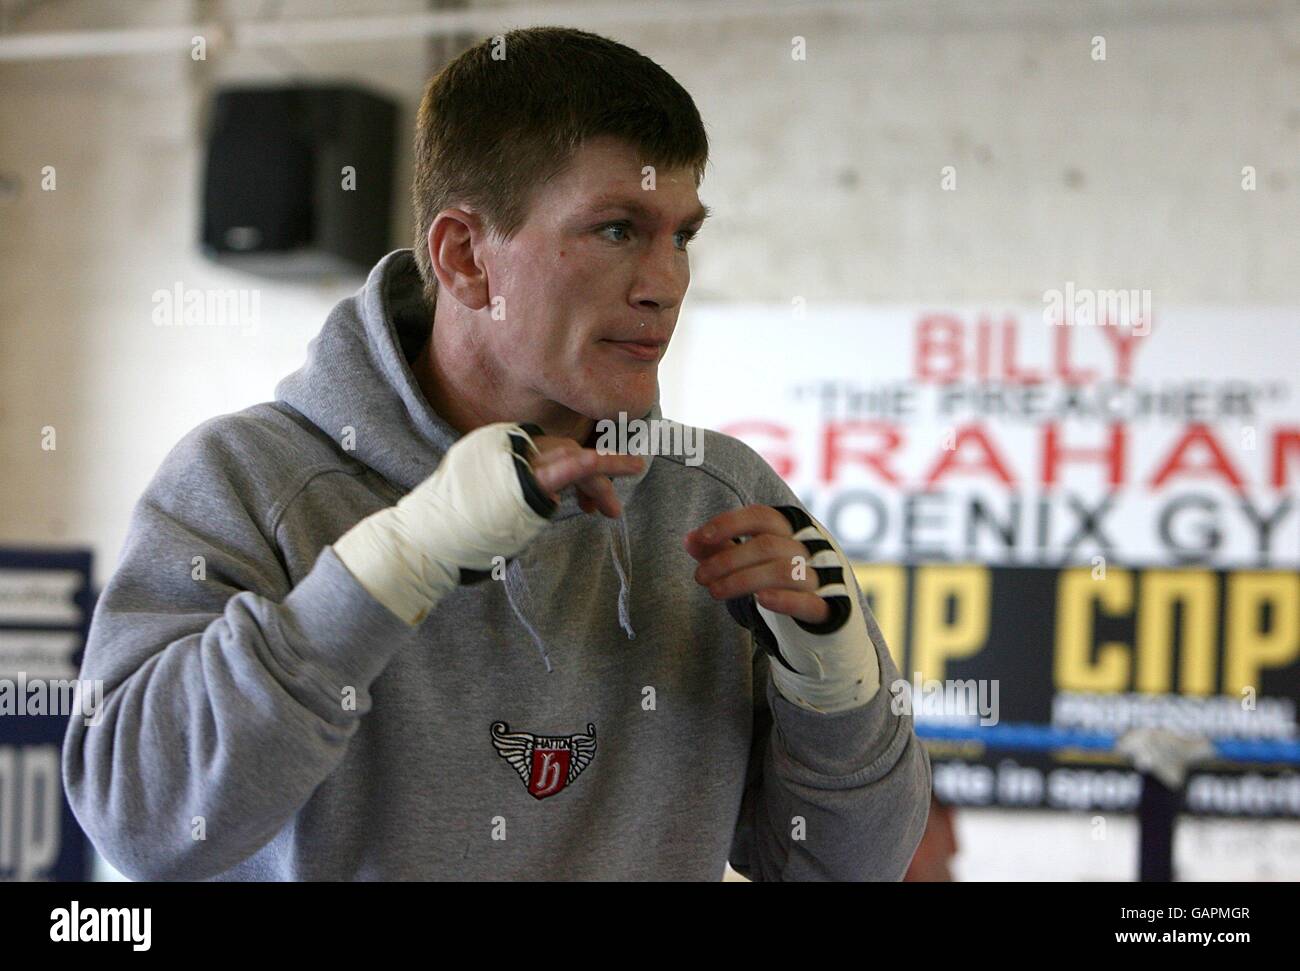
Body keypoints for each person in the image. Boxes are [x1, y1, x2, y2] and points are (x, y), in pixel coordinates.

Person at [63, 25, 930, 881]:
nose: (664, 283)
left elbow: (848, 866)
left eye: (683, 235)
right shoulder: (251, 481)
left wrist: (839, 691)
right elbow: (141, 824)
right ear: (466, 257)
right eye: (619, 229)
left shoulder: (718, 500)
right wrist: (393, 564)